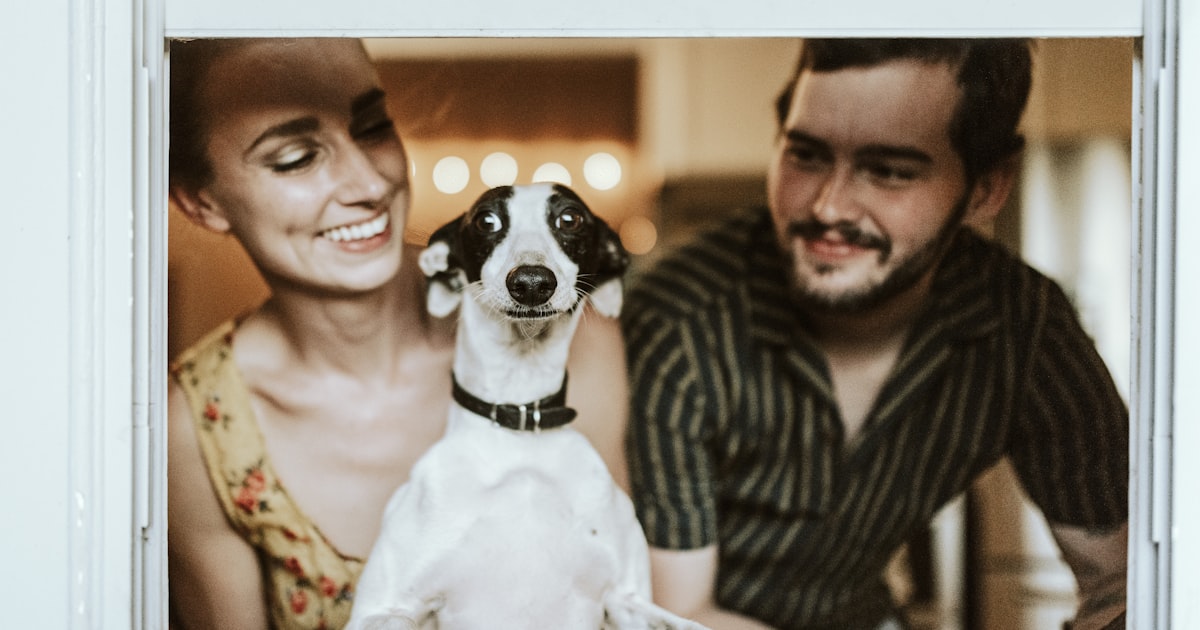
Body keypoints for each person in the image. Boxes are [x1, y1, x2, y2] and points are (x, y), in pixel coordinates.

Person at [622, 38, 1128, 630]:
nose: (830, 207)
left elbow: (1124, 584)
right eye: (806, 156)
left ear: (988, 187)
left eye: (888, 170)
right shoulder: (682, 317)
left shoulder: (1024, 328)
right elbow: (675, 617)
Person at [165, 38, 630, 630]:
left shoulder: (567, 331)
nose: (368, 182)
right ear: (202, 202)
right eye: (295, 157)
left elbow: (614, 595)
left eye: (373, 126)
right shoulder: (199, 429)